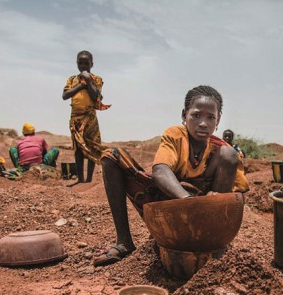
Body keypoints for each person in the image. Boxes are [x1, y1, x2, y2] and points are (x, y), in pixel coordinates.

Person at [93, 85, 248, 266]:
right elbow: (160, 171)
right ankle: (124, 241)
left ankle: (212, 244)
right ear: (184, 115)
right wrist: (188, 200)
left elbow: (238, 198)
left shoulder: (221, 150)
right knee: (111, 156)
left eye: (210, 117)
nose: (203, 123)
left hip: (202, 215)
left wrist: (216, 200)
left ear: (218, 120)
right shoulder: (175, 135)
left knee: (229, 155)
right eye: (196, 115)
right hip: (165, 203)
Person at [62, 50, 110, 185]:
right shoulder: (72, 80)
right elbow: (65, 96)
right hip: (76, 117)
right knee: (78, 148)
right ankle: (80, 179)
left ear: (92, 64)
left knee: (92, 146)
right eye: (81, 63)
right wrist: (81, 85)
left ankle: (89, 179)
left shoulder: (96, 79)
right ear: (77, 64)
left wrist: (88, 81)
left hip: (90, 117)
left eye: (86, 63)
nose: (83, 66)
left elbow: (96, 97)